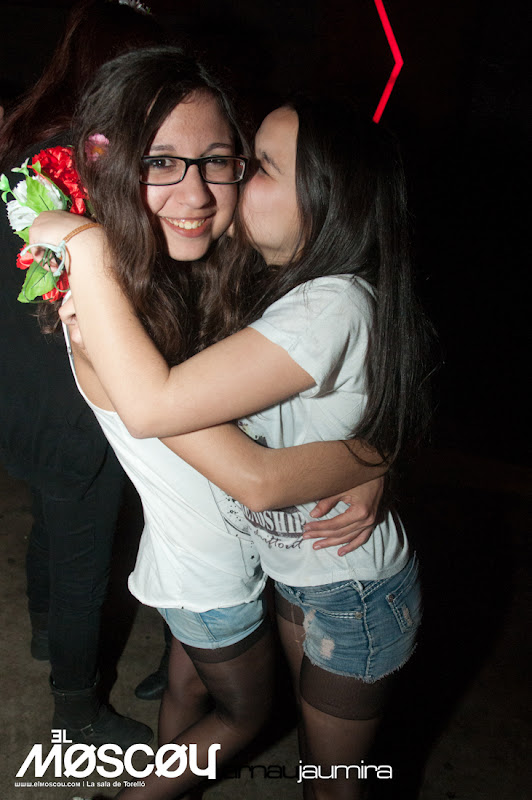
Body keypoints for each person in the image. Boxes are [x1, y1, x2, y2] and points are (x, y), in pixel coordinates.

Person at [35, 83, 432, 799]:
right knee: (309, 761)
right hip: (295, 570)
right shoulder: (273, 283)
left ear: (327, 198)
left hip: (351, 588)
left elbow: (219, 449)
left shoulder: (329, 303)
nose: (229, 183)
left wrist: (375, 456)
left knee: (333, 782)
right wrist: (372, 452)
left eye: (257, 166)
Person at [0, 0, 163, 746]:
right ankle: (75, 711)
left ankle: (44, 635)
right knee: (83, 561)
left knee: (51, 521)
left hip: (19, 387)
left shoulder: (23, 142)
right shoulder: (93, 162)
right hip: (73, 397)